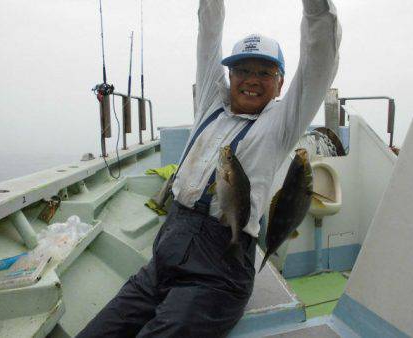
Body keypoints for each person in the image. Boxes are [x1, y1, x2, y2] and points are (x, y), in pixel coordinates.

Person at [77, 0, 341, 337]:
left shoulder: (281, 124)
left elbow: (321, 56)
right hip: (166, 252)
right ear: (228, 75)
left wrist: (316, 6)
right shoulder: (210, 104)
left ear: (280, 82)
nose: (251, 80)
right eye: (242, 70)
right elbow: (209, 31)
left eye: (264, 72)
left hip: (219, 271)